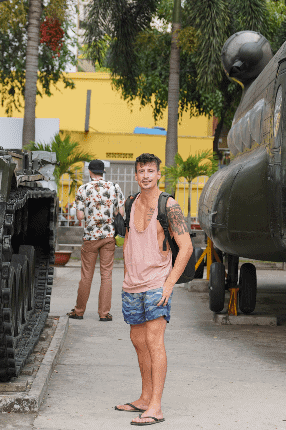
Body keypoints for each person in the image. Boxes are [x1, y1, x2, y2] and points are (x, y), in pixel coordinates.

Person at [114, 153, 192, 426]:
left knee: (154, 341)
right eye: (141, 171)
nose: (145, 175)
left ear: (159, 174)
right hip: (132, 284)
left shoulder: (169, 206)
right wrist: (125, 278)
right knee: (138, 341)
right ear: (135, 176)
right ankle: (144, 398)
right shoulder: (129, 204)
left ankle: (156, 406)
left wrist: (169, 283)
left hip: (157, 283)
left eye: (150, 170)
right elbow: (126, 243)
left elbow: (187, 247)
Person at [68, 159, 124, 321]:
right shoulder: (114, 187)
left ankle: (79, 311)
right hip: (108, 237)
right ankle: (104, 314)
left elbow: (79, 216)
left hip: (91, 237)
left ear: (90, 171)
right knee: (106, 275)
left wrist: (90, 213)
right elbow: (119, 212)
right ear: (103, 171)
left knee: (86, 275)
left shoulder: (83, 189)